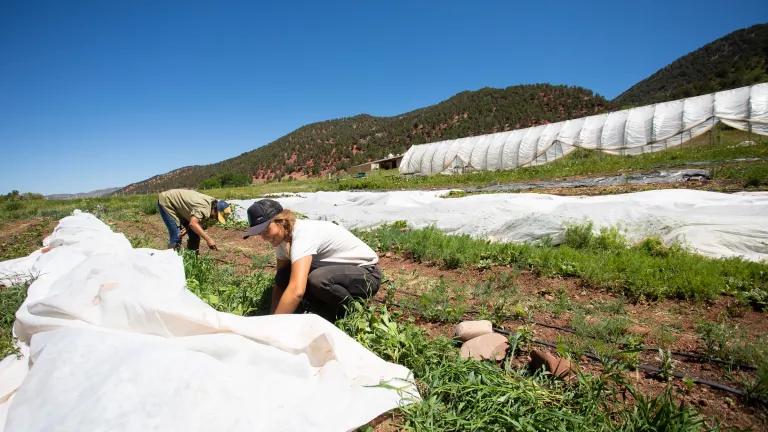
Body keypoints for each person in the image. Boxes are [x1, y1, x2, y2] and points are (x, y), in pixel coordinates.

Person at [243, 199, 381, 321]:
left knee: (318, 279)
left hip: (366, 273)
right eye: (259, 233)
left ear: (282, 221)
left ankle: (351, 310)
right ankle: (320, 307)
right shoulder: (282, 239)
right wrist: (271, 316)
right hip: (338, 272)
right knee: (284, 275)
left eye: (266, 230)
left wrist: (274, 327)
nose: (264, 237)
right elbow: (280, 282)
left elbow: (297, 290)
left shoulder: (303, 234)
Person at [157, 189, 232, 251]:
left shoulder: (213, 204)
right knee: (177, 235)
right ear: (215, 210)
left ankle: (192, 258)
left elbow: (195, 223)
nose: (216, 219)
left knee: (195, 234)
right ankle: (172, 261)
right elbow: (193, 224)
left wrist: (188, 228)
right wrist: (208, 239)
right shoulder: (204, 208)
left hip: (181, 207)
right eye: (216, 216)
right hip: (167, 201)